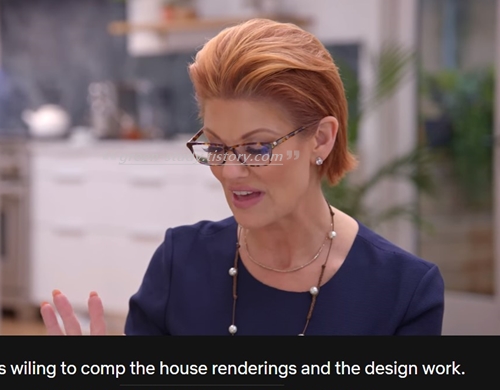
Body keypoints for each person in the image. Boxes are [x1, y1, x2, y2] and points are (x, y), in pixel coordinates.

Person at [40, 18, 444, 336]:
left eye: (257, 147)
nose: (230, 171)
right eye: (216, 146)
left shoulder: (404, 291)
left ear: (321, 139)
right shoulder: (179, 261)